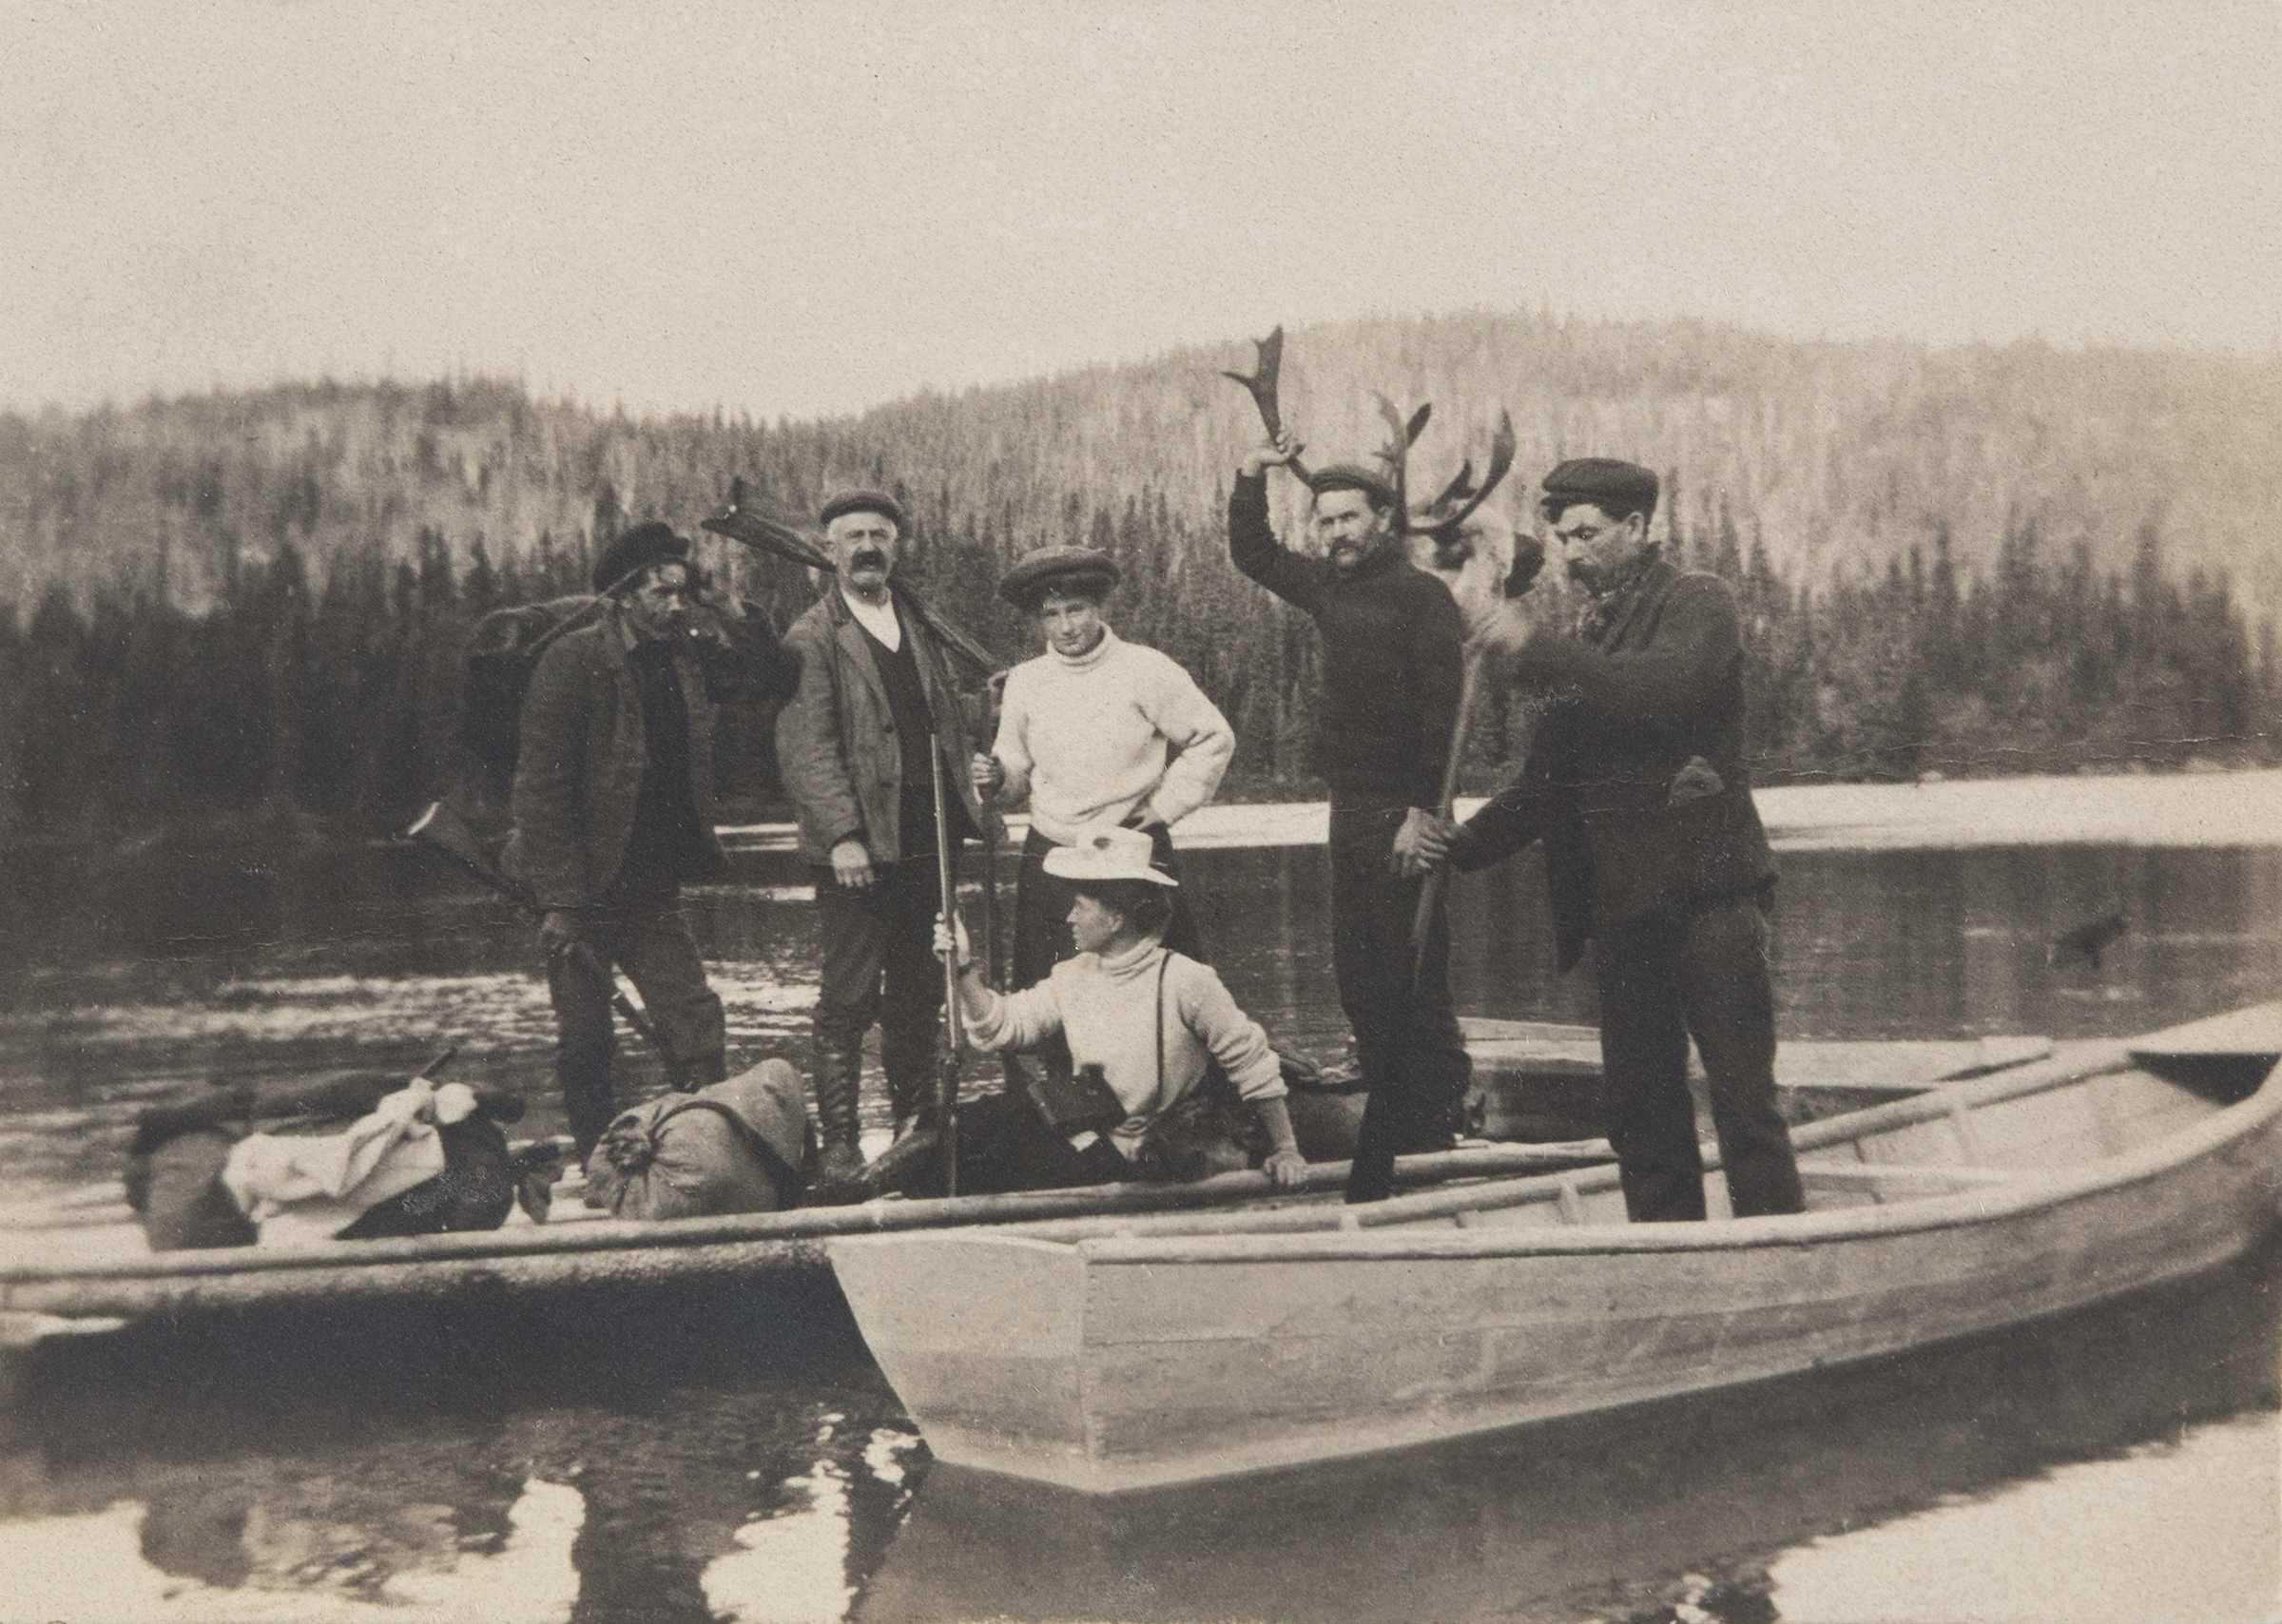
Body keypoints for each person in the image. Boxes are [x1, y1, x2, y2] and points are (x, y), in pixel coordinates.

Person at [1414, 457, 1806, 1223]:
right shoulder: (1587, 637)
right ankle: (1668, 1260)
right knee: (1641, 1111)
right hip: (1623, 912)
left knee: (1742, 1102)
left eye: (1587, 533)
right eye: (1560, 536)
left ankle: (1780, 1255)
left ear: (1638, 527)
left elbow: (1661, 693)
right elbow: (1545, 787)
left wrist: (1531, 645)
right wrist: (1458, 847)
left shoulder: (1698, 603)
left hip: (1709, 899)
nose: (1570, 550)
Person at [1228, 433, 1472, 1203]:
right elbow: (1257, 555)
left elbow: (1445, 718)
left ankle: (1440, 1127)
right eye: (1325, 521)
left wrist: (1422, 813)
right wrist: (1248, 476)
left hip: (1409, 810)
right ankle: (1395, 1117)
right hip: (1351, 809)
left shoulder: (1422, 598)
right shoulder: (1331, 589)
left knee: (1416, 971)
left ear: (1382, 520)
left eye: (1348, 518)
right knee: (1361, 974)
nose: (1335, 533)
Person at [509, 520, 798, 1161]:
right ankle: (594, 1165)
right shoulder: (572, 661)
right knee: (586, 1040)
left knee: (695, 1023)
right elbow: (540, 791)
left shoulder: (686, 656)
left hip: (649, 886)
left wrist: (726, 606)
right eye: (660, 592)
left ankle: (704, 1154)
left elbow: (775, 676)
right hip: (578, 890)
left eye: (680, 592)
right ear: (623, 594)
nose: (674, 605)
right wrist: (561, 901)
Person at [776, 488, 999, 1201]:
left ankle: (915, 1130)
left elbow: (933, 720)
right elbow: (806, 747)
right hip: (858, 846)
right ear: (829, 551)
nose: (868, 547)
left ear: (896, 546)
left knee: (916, 992)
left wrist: (979, 744)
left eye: (880, 534)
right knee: (846, 998)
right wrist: (840, 835)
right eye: (853, 537)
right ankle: (841, 1148)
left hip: (929, 835)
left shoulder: (920, 626)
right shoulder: (811, 637)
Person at [928, 825, 1307, 1194]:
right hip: (1094, 1139)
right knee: (976, 1131)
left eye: (1079, 907)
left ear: (1115, 918)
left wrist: (1286, 1149)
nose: (1069, 919)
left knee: (1010, 1156)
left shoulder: (1185, 979)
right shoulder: (1071, 975)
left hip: (1161, 1150)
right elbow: (1001, 1028)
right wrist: (962, 968)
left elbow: (1253, 1064)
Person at [974, 544, 1234, 988]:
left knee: (1162, 987)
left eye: (1076, 609)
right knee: (1052, 991)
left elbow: (1213, 737)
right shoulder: (1026, 682)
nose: (1067, 626)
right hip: (1052, 854)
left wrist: (1165, 807)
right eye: (1051, 615)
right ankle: (1062, 1062)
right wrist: (998, 778)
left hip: (1133, 848)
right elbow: (1015, 777)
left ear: (1098, 606)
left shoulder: (1146, 669)